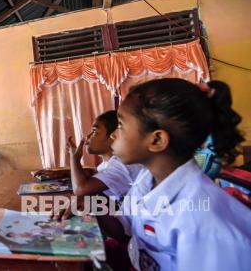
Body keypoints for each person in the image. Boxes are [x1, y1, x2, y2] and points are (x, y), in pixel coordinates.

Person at [98, 78, 251, 270]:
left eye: (120, 124)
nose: (113, 134)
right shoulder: (147, 180)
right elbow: (125, 228)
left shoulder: (203, 223)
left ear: (157, 140)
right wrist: (91, 205)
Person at [52, 111, 142, 220]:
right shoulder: (110, 163)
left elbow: (80, 189)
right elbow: (92, 172)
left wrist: (74, 158)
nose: (88, 136)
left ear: (113, 136)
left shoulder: (122, 164)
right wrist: (58, 172)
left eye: (94, 131)